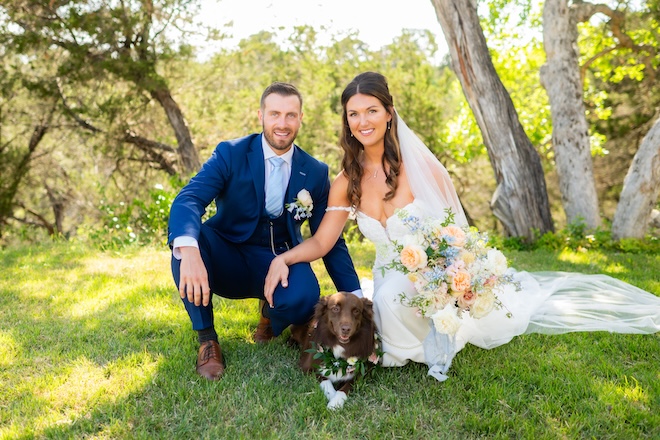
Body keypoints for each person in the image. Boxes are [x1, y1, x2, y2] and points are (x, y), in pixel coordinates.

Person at [264, 71, 660, 380]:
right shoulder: (344, 180)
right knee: (382, 302)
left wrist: (446, 283)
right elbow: (322, 241)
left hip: (430, 276)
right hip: (389, 275)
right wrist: (285, 259)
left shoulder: (417, 170)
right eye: (354, 113)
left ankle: (413, 339)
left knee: (383, 308)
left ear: (388, 113)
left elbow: (455, 238)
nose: (363, 120)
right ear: (346, 121)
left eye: (371, 110)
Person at [168, 81, 361, 380]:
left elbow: (330, 240)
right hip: (227, 255)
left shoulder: (315, 171)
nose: (282, 124)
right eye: (274, 114)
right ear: (261, 116)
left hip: (277, 259)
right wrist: (190, 250)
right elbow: (189, 199)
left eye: (290, 115)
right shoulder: (230, 153)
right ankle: (207, 340)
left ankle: (269, 316)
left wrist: (355, 294)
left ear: (300, 118)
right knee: (186, 245)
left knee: (305, 295)